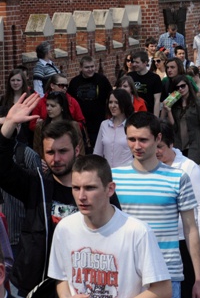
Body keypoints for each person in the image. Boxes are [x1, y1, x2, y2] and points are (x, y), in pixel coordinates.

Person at [0, 95, 119, 296]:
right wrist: (8, 126)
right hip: (35, 285)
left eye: (63, 151)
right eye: (50, 152)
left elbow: (116, 235)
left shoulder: (96, 190)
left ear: (77, 150)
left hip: (82, 286)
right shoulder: (36, 185)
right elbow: (2, 168)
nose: (56, 159)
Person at [48, 154, 171, 298]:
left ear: (110, 189)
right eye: (76, 188)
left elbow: (163, 289)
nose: (81, 196)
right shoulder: (64, 228)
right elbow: (61, 277)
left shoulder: (137, 232)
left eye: (90, 188)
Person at [113, 112, 200, 298]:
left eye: (143, 140)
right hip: (125, 273)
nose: (137, 146)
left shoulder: (178, 178)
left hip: (167, 273)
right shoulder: (114, 178)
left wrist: (199, 279)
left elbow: (190, 229)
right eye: (131, 139)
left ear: (158, 138)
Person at [155, 122, 200, 298]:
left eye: (161, 147)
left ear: (171, 145)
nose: (157, 151)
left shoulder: (188, 168)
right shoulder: (149, 168)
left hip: (184, 242)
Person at [161, 76, 200, 165]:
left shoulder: (199, 103)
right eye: (177, 88)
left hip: (195, 145)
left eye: (183, 86)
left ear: (188, 86)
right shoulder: (175, 106)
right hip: (179, 145)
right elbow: (174, 127)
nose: (180, 89)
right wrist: (168, 110)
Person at [68, 56, 113, 149]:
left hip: (99, 121)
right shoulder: (74, 82)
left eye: (92, 66)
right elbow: (70, 101)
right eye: (87, 67)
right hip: (82, 122)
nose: (90, 69)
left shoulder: (102, 80)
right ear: (81, 68)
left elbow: (110, 96)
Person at [94, 89, 135, 168]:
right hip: (107, 174)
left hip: (127, 173)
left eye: (116, 102)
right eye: (110, 102)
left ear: (124, 103)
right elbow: (97, 153)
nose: (112, 106)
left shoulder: (132, 125)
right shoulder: (104, 125)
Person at [128, 51, 163, 116]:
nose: (134, 64)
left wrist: (155, 118)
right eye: (133, 62)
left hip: (148, 114)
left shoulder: (155, 78)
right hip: (133, 114)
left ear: (145, 63)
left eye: (137, 62)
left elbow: (157, 100)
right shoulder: (130, 76)